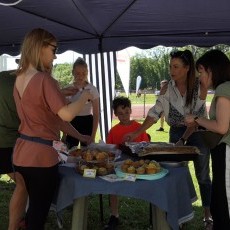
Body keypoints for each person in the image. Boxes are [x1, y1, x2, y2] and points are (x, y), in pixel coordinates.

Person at [9, 28, 93, 230]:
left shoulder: (19, 79)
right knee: (38, 212)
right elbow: (65, 115)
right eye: (54, 49)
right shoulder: (44, 79)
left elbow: (49, 117)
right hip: (42, 158)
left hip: (21, 154)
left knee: (30, 208)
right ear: (40, 47)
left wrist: (80, 135)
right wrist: (84, 96)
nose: (55, 56)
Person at [124, 50, 213, 228]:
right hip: (176, 131)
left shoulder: (199, 86)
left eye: (176, 66)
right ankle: (181, 212)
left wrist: (183, 140)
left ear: (187, 68)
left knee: (202, 175)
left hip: (199, 131)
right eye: (170, 66)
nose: (171, 70)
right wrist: (136, 132)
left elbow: (195, 118)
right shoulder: (167, 88)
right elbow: (155, 113)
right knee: (176, 173)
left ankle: (207, 214)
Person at [185, 49, 230, 229]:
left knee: (224, 204)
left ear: (211, 70)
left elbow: (221, 127)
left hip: (226, 153)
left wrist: (197, 119)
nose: (200, 78)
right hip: (222, 153)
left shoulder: (224, 88)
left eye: (201, 72)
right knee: (219, 201)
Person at [105, 96, 150, 230]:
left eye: (126, 112)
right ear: (116, 115)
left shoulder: (139, 128)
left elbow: (146, 146)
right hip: (120, 165)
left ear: (130, 111)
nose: (124, 116)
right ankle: (114, 214)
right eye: (120, 114)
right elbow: (110, 150)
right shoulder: (113, 131)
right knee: (111, 183)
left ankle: (155, 213)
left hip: (137, 164)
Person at [0, 70, 28, 229]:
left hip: (7, 141)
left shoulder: (3, 76)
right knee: (23, 183)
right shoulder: (23, 84)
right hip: (8, 142)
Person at [61, 57, 100, 148]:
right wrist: (64, 135)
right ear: (73, 73)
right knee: (70, 152)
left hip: (87, 122)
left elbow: (96, 114)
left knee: (87, 153)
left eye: (83, 73)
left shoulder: (92, 89)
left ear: (87, 73)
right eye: (77, 73)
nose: (80, 76)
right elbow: (64, 114)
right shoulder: (68, 89)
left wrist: (93, 136)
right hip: (72, 122)